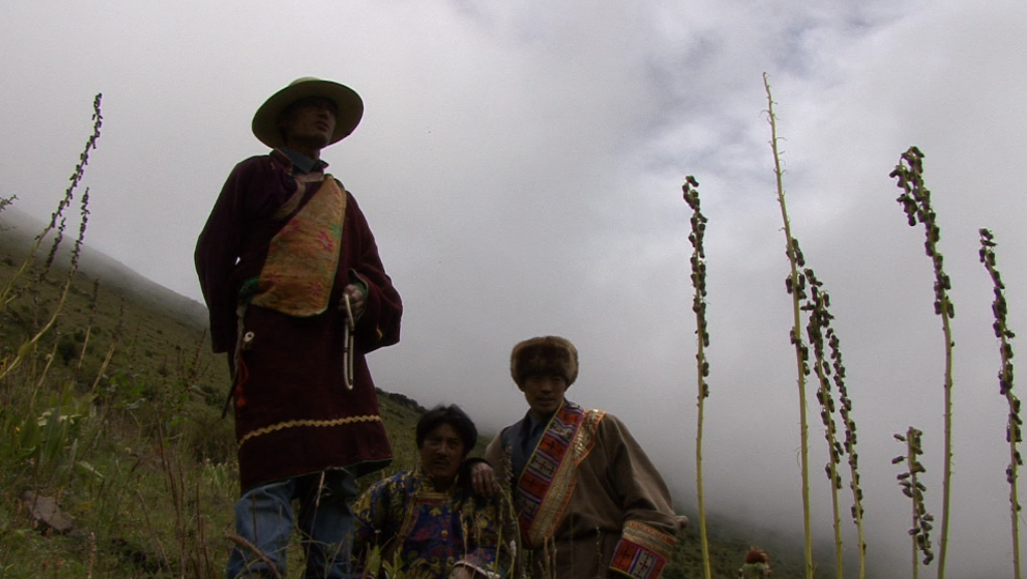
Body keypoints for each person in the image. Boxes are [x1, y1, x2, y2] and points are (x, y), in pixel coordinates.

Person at [195, 76, 403, 579]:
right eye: (311, 108)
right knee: (270, 474)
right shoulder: (254, 175)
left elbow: (377, 280)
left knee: (335, 485)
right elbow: (214, 253)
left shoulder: (343, 202)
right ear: (283, 122)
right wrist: (241, 327)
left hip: (333, 361)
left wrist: (361, 293)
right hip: (271, 352)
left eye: (328, 111)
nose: (323, 116)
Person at [483, 336, 679, 579]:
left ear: (566, 384)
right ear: (521, 384)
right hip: (540, 567)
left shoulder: (600, 427)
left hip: (602, 562)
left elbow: (652, 507)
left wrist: (625, 570)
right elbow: (488, 514)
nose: (546, 388)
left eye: (556, 379)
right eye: (536, 379)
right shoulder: (505, 442)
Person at [352, 405, 509, 579]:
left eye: (453, 444)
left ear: (464, 453)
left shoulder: (477, 495)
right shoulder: (391, 490)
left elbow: (495, 549)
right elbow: (342, 545)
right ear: (421, 445)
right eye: (434, 441)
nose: (442, 451)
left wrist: (468, 569)